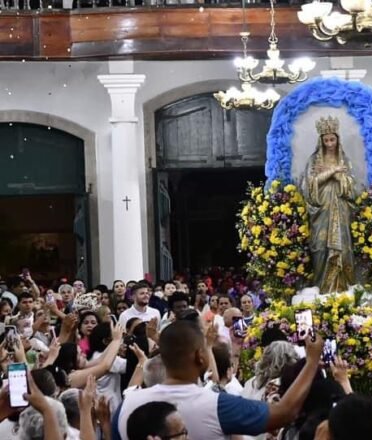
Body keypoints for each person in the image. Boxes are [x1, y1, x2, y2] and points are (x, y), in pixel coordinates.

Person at [117, 319, 325, 439]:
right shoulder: (215, 403)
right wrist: (312, 361)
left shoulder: (127, 405)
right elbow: (284, 413)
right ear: (200, 356)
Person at [300, 115, 358, 294]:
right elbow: (310, 185)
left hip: (340, 207)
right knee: (320, 246)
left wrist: (331, 174)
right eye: (326, 140)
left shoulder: (345, 160)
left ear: (337, 139)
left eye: (332, 139)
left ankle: (342, 287)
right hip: (321, 207)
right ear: (321, 141)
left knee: (343, 246)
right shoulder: (314, 160)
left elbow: (350, 186)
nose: (330, 143)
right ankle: (323, 286)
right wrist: (333, 171)